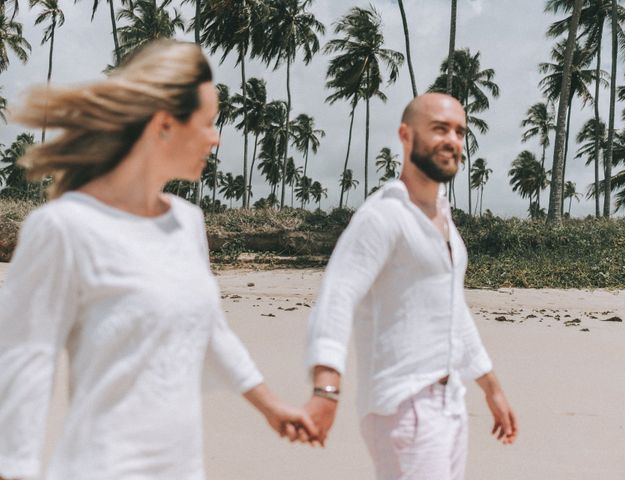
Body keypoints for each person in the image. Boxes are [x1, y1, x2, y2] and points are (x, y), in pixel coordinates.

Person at [0, 40, 316, 480]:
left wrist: (271, 406)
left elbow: (210, 329)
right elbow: (25, 366)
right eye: (208, 123)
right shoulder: (64, 228)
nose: (216, 137)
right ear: (164, 126)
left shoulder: (187, 222)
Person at [304, 93, 518, 479]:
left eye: (459, 131)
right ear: (406, 136)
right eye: (439, 129)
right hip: (404, 405)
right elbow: (337, 296)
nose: (452, 139)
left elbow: (453, 310)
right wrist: (326, 388)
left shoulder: (444, 218)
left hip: (449, 401)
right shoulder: (384, 216)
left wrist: (491, 386)